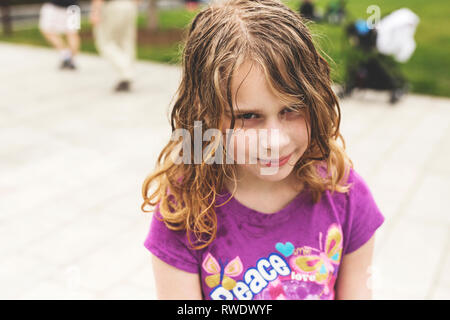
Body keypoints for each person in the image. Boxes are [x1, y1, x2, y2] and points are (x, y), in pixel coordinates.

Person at [142, 0, 385, 300]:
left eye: (292, 109)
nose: (275, 141)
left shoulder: (344, 194)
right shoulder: (183, 209)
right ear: (206, 115)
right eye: (248, 116)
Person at [90, 0, 138, 92]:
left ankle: (126, 72)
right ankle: (126, 75)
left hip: (113, 6)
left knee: (105, 42)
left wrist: (95, 12)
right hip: (130, 5)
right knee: (126, 41)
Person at [39, 0, 80, 70]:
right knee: (72, 34)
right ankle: (71, 60)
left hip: (55, 5)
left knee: (47, 30)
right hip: (73, 7)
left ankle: (66, 55)